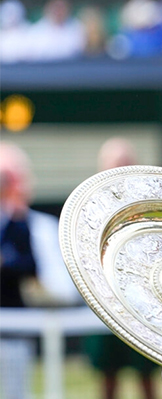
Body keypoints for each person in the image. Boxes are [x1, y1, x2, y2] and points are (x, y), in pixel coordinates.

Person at [0, 142, 81, 399]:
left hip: (15, 323)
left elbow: (30, 266)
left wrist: (5, 262)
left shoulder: (21, 224)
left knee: (15, 390)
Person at [84, 136, 159, 399]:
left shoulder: (148, 205)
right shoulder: (89, 207)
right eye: (114, 163)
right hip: (105, 302)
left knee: (147, 376)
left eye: (125, 163)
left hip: (142, 304)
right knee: (107, 376)